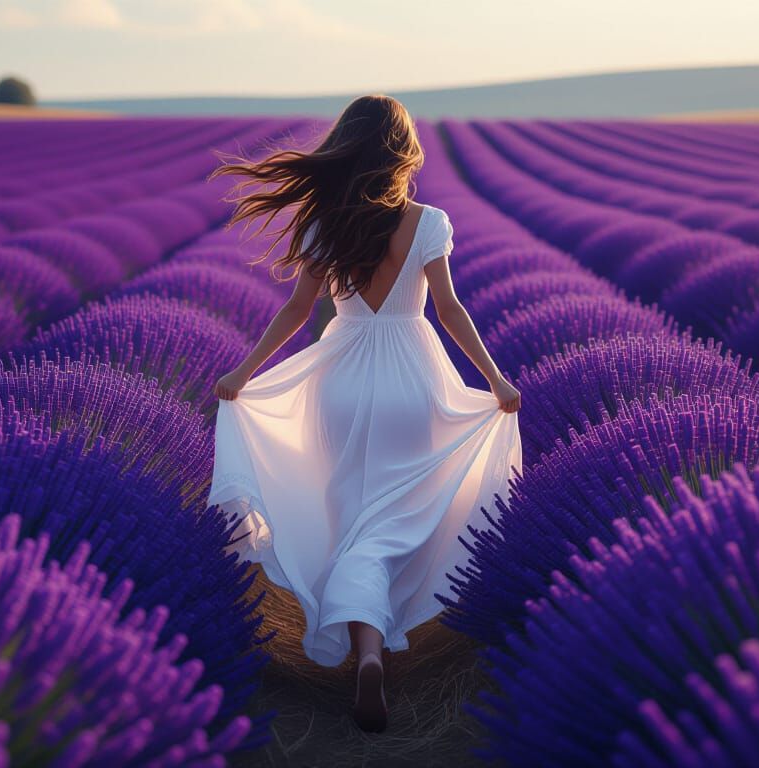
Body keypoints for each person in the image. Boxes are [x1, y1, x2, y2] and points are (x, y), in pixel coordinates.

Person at [206, 94, 522, 734]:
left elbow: (297, 311)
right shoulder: (428, 222)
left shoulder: (325, 222)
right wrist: (495, 379)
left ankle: (364, 648)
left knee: (350, 521)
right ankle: (373, 650)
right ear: (401, 150)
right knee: (390, 522)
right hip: (413, 379)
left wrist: (244, 373)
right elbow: (449, 309)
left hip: (341, 380)